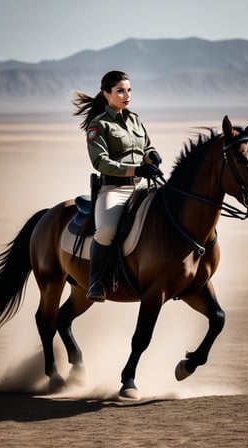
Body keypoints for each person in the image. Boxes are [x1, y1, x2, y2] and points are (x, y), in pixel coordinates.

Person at [73, 70, 162, 302]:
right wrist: (136, 169)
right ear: (106, 94)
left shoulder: (135, 119)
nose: (126, 95)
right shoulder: (98, 125)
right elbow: (100, 161)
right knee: (106, 231)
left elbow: (147, 147)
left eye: (129, 90)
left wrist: (153, 157)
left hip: (142, 187)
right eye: (120, 91)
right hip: (114, 190)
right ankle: (96, 282)